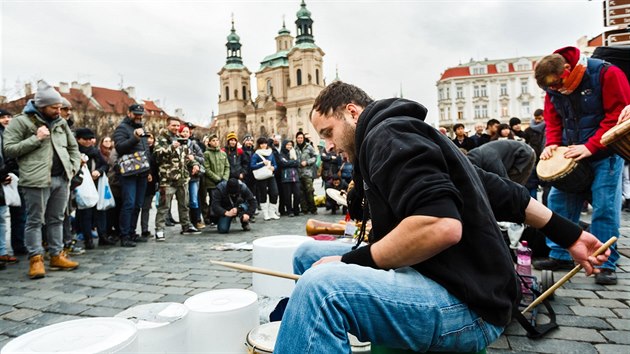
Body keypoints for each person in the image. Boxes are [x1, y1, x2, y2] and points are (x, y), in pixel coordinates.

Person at [273, 81, 611, 353]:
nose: (328, 147)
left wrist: (351, 260)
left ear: (352, 112)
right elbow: (503, 192)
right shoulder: (407, 134)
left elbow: (439, 226)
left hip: (466, 304)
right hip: (442, 277)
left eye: (328, 133)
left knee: (321, 290)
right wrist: (572, 235)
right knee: (307, 256)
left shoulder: (385, 135)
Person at [532, 46, 630, 285]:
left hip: (605, 152)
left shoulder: (607, 73)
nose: (554, 90)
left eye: (556, 85)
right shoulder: (553, 85)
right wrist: (553, 144)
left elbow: (617, 116)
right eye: (549, 88)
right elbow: (553, 118)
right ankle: (560, 253)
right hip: (572, 152)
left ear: (568, 68)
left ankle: (605, 262)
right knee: (559, 202)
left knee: (605, 207)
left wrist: (592, 146)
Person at [4, 80, 81, 279]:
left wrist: (72, 167)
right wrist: (35, 138)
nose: (59, 110)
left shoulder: (61, 123)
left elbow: (73, 147)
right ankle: (36, 259)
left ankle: (56, 255)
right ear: (41, 106)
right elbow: (9, 149)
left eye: (60, 107)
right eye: (54, 107)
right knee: (35, 220)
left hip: (61, 178)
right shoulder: (21, 121)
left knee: (57, 219)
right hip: (35, 180)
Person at [153, 118, 201, 241]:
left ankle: (186, 226)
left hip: (182, 178)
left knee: (184, 204)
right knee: (164, 206)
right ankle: (159, 230)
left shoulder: (181, 139)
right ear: (168, 126)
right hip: (167, 179)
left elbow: (188, 155)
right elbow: (156, 155)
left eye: (177, 125)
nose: (175, 127)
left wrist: (195, 164)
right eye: (173, 125)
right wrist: (171, 147)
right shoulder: (161, 139)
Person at [113, 104, 151, 247]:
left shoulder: (142, 128)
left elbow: (146, 150)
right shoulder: (122, 128)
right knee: (128, 204)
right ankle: (124, 235)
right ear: (128, 113)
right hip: (128, 173)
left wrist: (148, 171)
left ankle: (132, 232)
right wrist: (134, 138)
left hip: (142, 172)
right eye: (136, 114)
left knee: (137, 204)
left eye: (140, 114)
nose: (139, 116)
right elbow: (119, 147)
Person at [74, 128, 109, 250]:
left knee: (100, 211)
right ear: (78, 139)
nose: (88, 141)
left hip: (96, 184)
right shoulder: (74, 151)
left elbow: (105, 165)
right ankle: (87, 238)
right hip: (81, 185)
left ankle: (103, 236)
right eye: (85, 139)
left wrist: (98, 172)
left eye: (90, 139)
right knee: (85, 212)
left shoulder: (95, 151)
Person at [180, 124, 206, 229]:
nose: (185, 133)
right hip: (182, 177)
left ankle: (195, 222)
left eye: (187, 132)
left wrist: (193, 157)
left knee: (194, 200)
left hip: (194, 177)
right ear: (179, 133)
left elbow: (202, 158)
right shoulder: (176, 144)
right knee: (184, 201)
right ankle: (186, 223)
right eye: (183, 131)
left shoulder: (194, 144)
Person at [203, 134, 230, 227]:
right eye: (213, 140)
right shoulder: (206, 154)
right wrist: (217, 178)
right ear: (209, 142)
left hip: (223, 182)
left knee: (223, 200)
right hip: (212, 183)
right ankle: (212, 219)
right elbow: (206, 169)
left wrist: (225, 178)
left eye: (217, 140)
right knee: (213, 200)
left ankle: (221, 218)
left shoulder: (223, 153)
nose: (215, 142)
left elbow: (227, 166)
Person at [250, 137, 280, 221]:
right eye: (262, 143)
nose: (264, 145)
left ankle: (272, 212)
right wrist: (262, 163)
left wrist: (274, 168)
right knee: (263, 194)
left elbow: (275, 164)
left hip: (270, 175)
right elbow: (252, 166)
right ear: (259, 145)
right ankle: (266, 213)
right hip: (261, 176)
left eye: (265, 143)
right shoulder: (256, 154)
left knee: (274, 193)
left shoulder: (270, 153)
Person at [524, 109, 549, 202]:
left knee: (547, 186)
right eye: (536, 118)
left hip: (546, 159)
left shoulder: (549, 127)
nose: (538, 121)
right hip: (533, 161)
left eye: (540, 118)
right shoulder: (528, 130)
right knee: (533, 186)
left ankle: (547, 208)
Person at [295, 131, 318, 214]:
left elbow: (315, 157)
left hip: (307, 172)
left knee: (309, 190)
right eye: (298, 138)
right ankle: (304, 209)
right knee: (301, 192)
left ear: (303, 138)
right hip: (298, 173)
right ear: (296, 139)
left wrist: (307, 162)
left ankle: (313, 208)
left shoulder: (308, 147)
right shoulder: (294, 148)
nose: (300, 139)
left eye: (301, 138)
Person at [278, 140, 301, 217]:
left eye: (290, 145)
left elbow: (298, 162)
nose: (289, 146)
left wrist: (290, 162)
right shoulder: (281, 154)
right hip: (286, 177)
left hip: (295, 176)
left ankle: (296, 209)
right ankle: (289, 210)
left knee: (297, 194)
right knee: (287, 196)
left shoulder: (294, 152)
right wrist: (293, 162)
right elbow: (283, 163)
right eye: (287, 145)